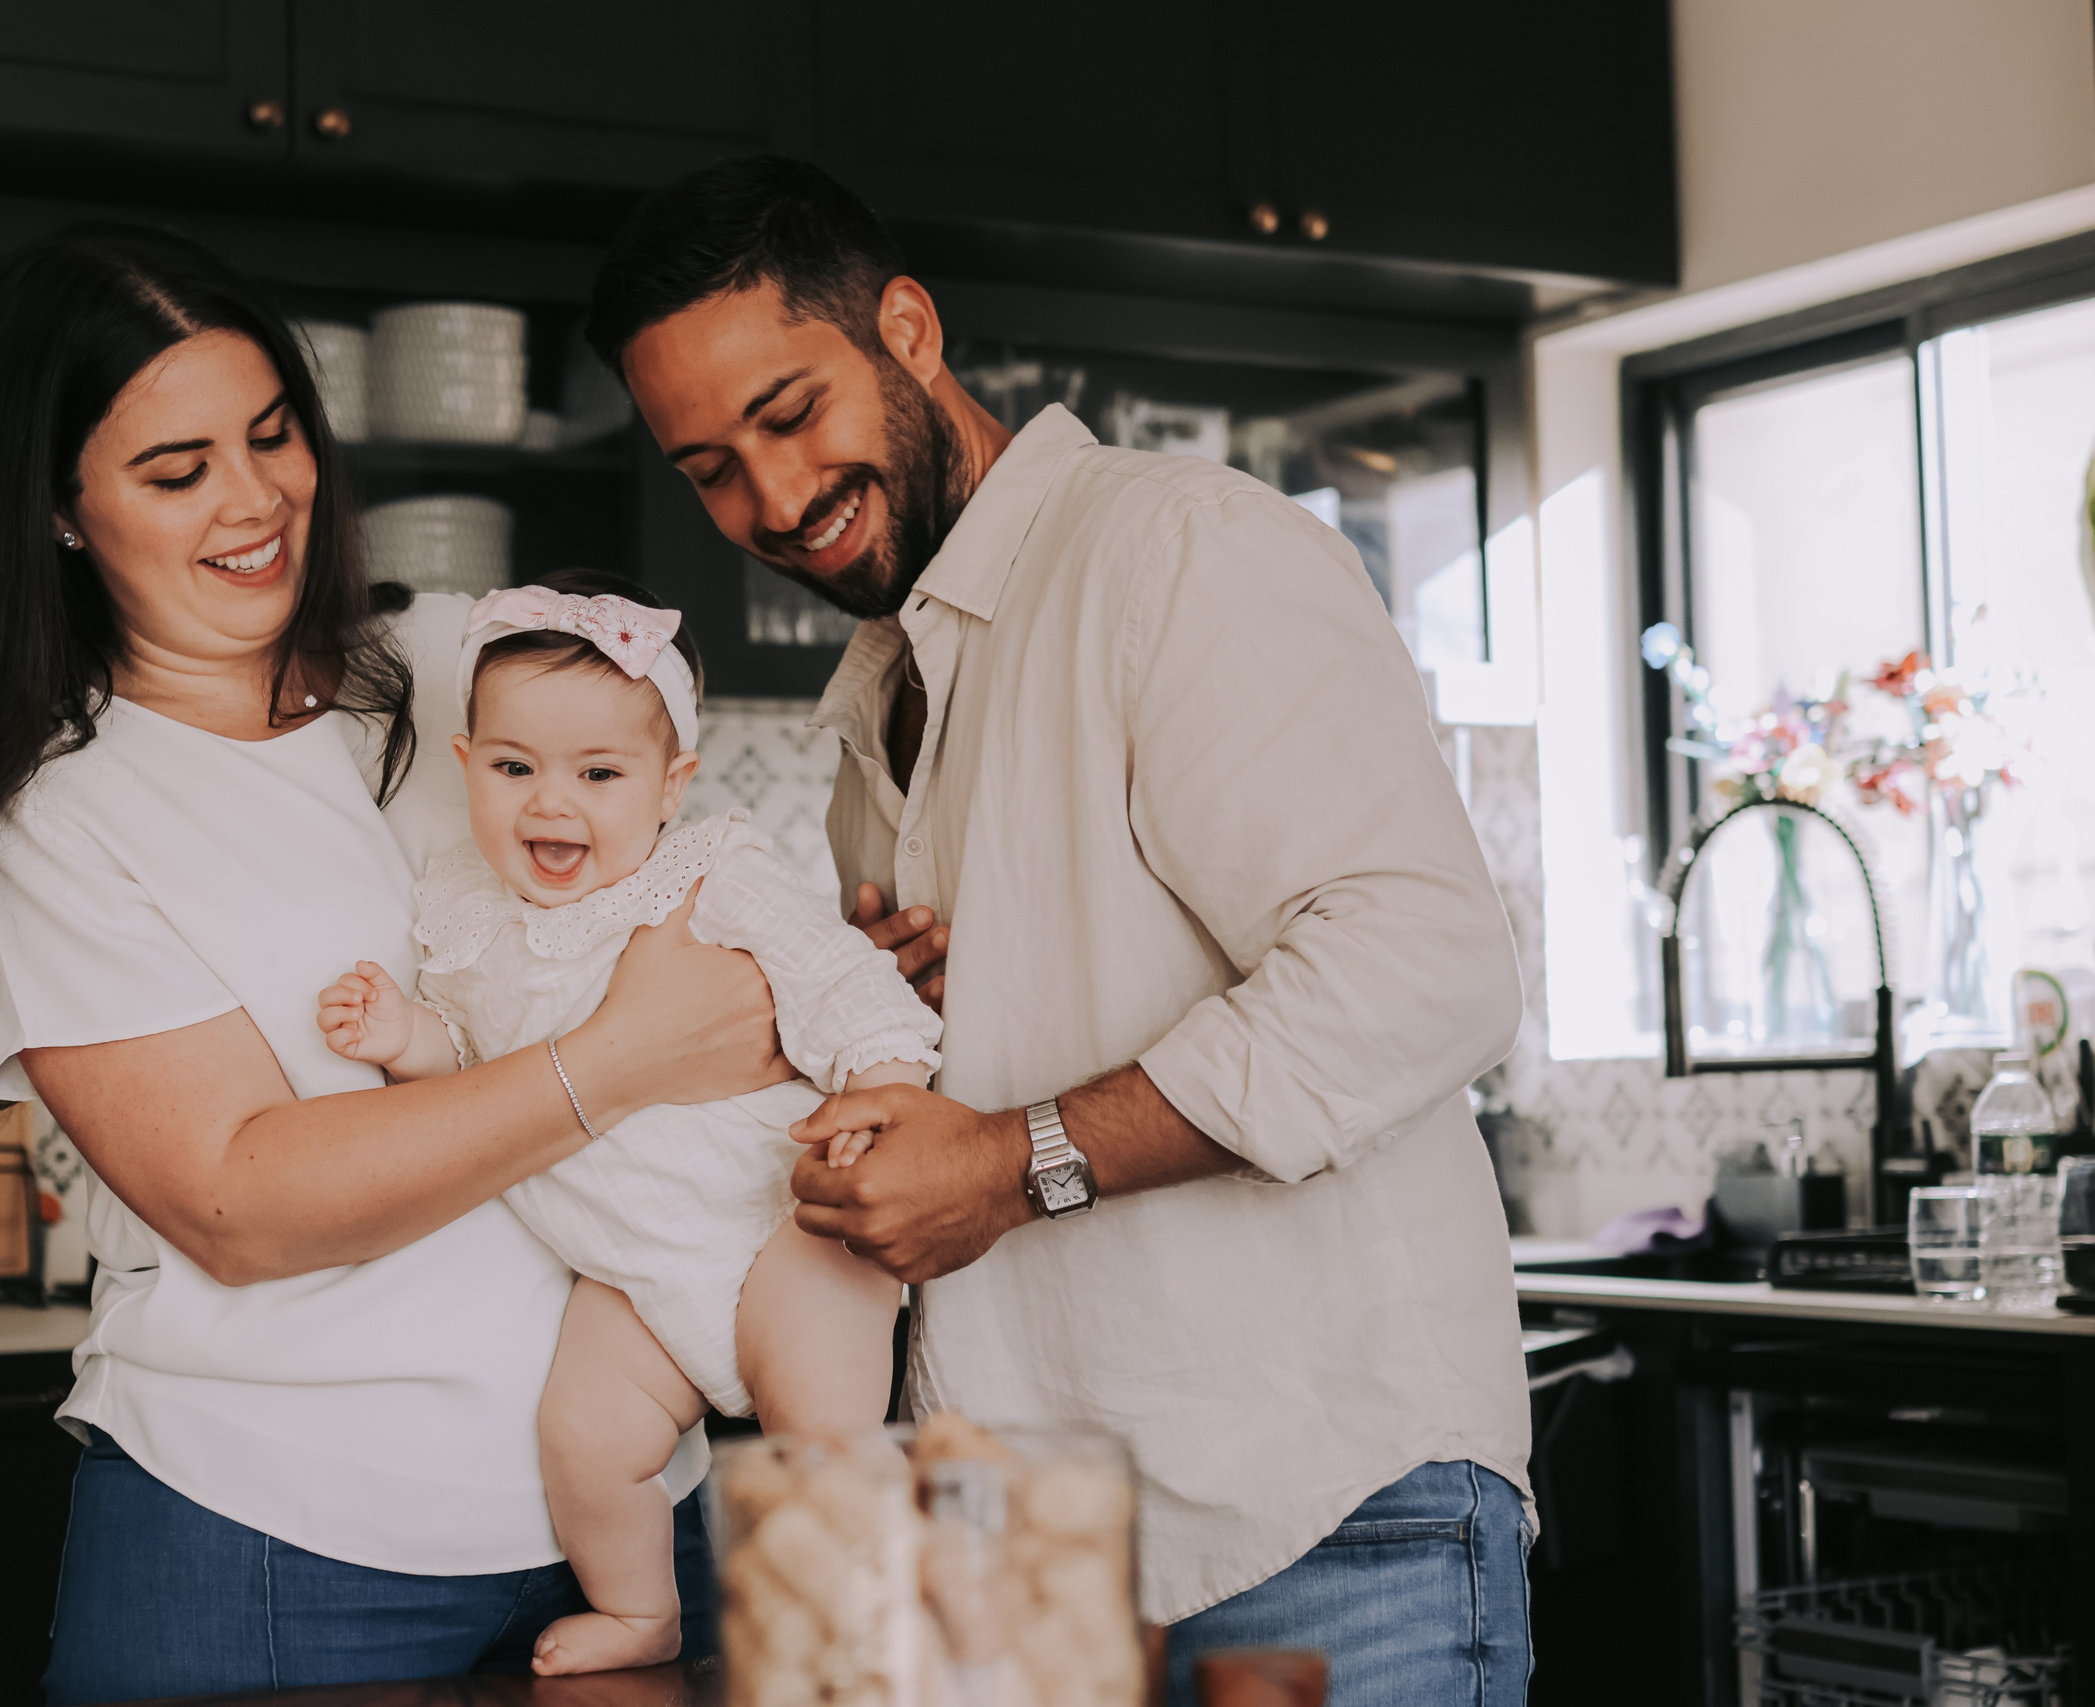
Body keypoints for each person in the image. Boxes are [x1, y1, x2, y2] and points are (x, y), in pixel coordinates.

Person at [0, 224, 938, 1703]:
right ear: (60, 512)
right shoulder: (65, 807)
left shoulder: (453, 662)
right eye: (177, 471)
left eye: (273, 436)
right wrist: (618, 1055)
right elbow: (240, 1200)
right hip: (281, 1547)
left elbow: (676, 862)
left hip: (626, 1511)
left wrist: (826, 976)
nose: (254, 500)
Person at [587, 158, 1536, 1706]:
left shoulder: (1179, 551)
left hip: (1318, 1507)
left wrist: (1012, 1156)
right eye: (708, 468)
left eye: (788, 412)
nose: (769, 502)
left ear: (907, 327)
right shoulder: (880, 703)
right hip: (1007, 1529)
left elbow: (1424, 964)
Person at [318, 570, 941, 1675]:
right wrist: (403, 1036)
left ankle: (863, 1638)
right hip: (628, 1275)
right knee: (585, 1441)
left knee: (822, 1439)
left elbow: (841, 982)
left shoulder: (708, 873)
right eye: (513, 769)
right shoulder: (460, 905)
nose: (550, 804)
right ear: (466, 768)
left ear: (669, 784)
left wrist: (881, 1092)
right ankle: (642, 1610)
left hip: (780, 1222)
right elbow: (474, 1077)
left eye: (599, 773)